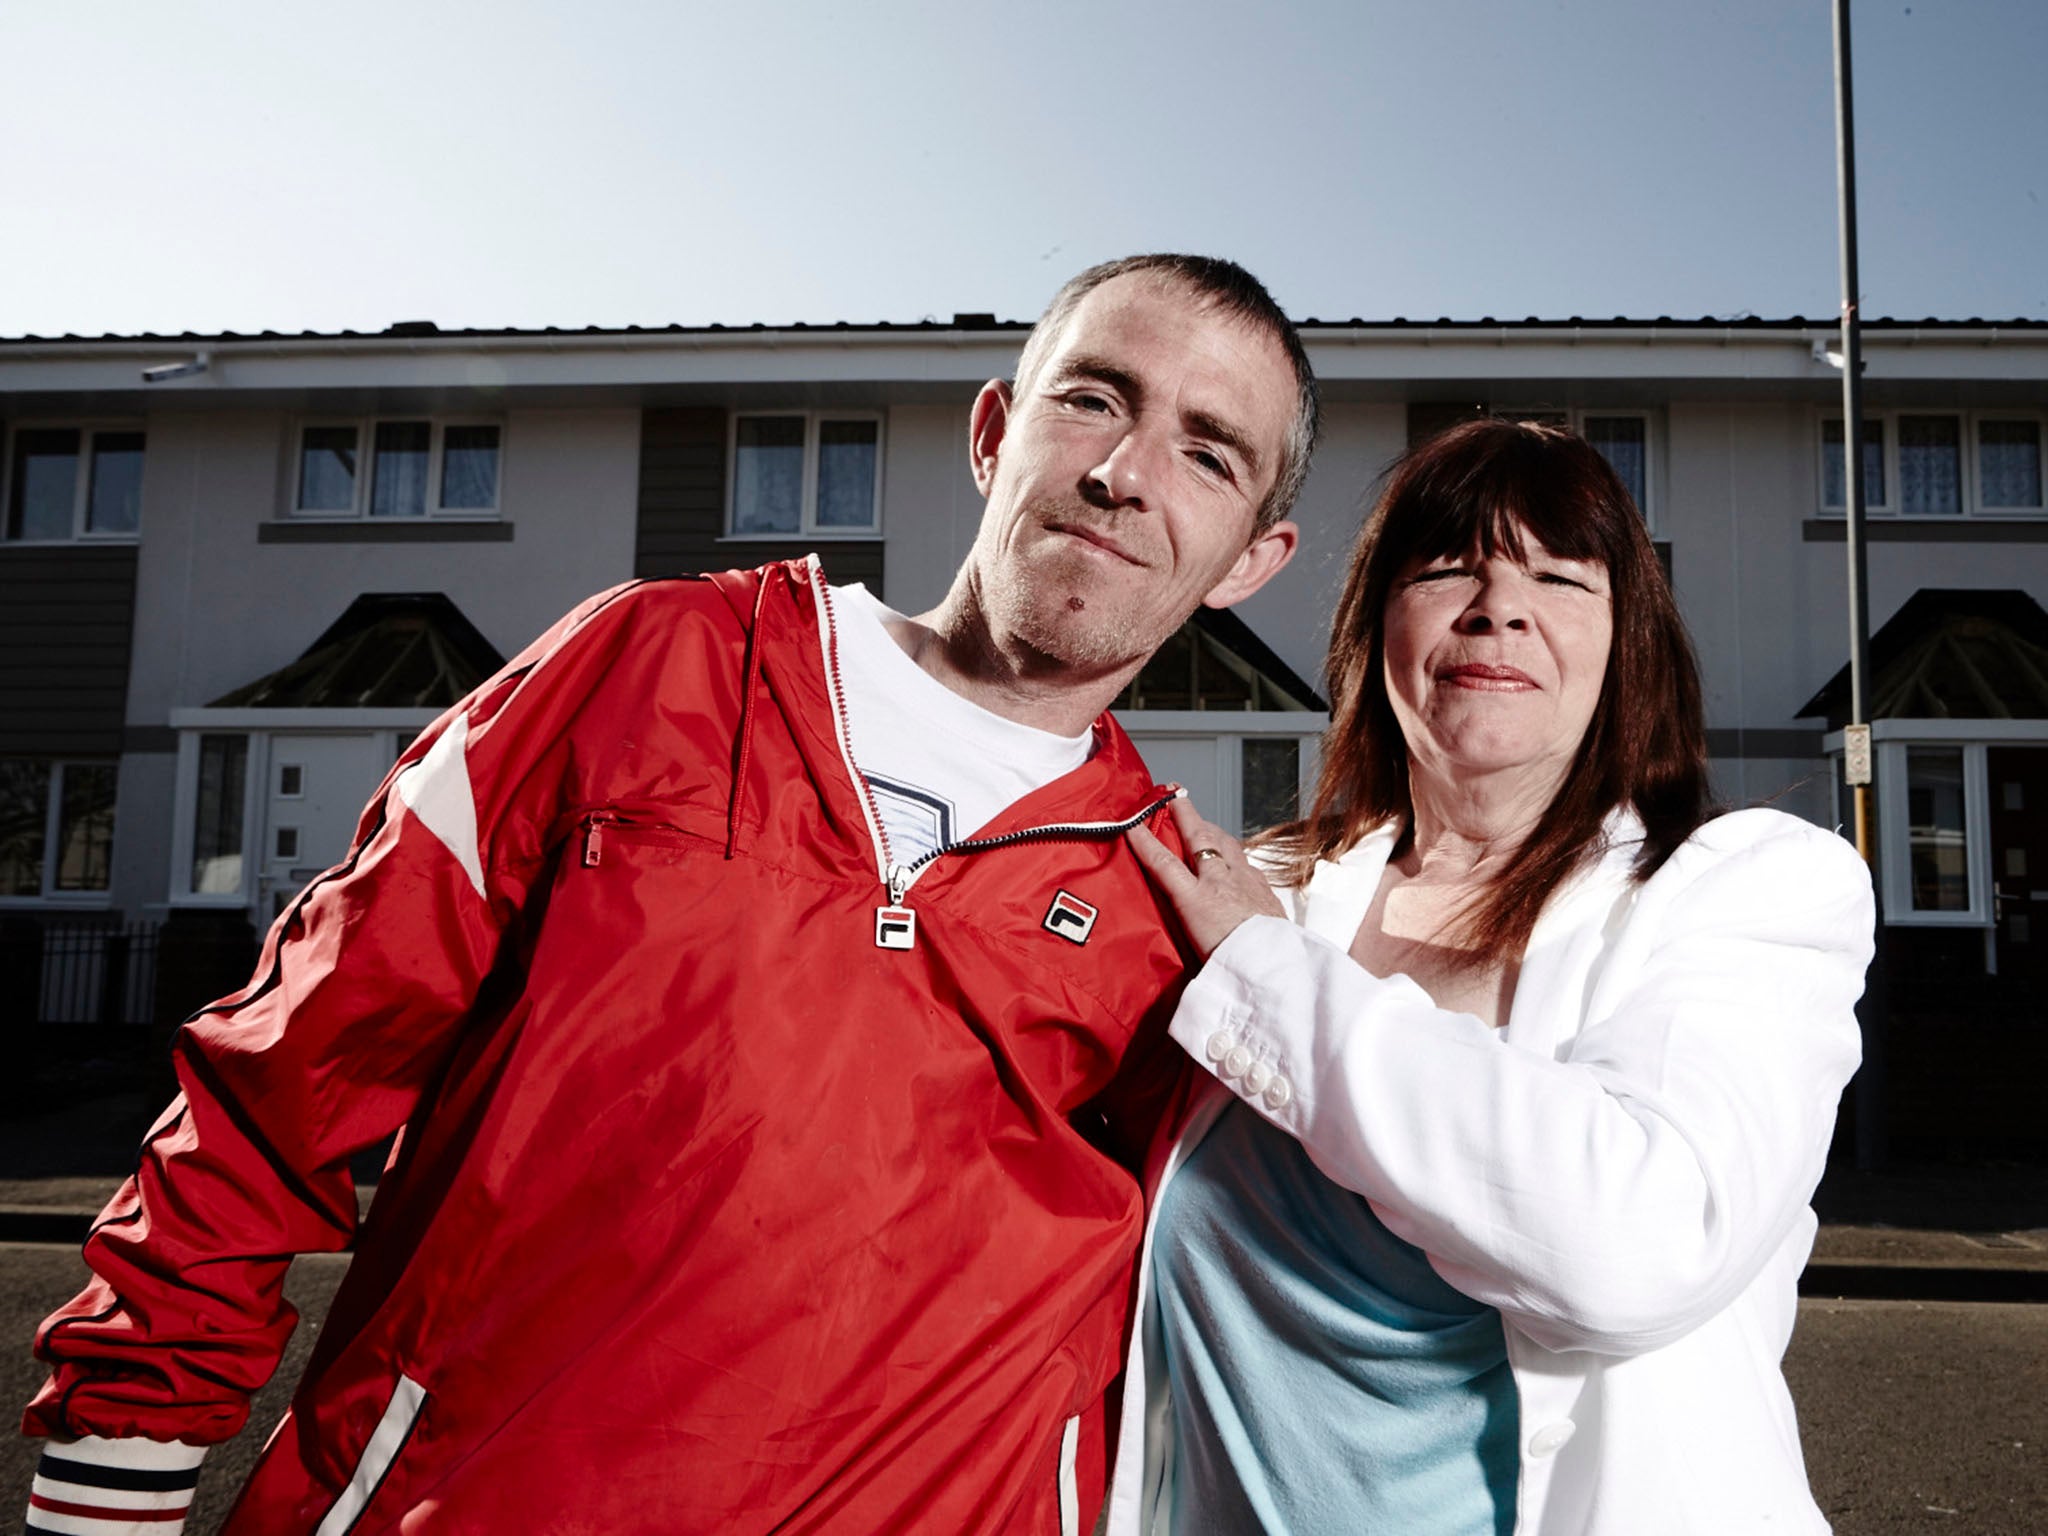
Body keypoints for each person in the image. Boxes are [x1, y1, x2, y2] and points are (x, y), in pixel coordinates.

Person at [20, 254, 1315, 1536]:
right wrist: (115, 1474)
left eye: (1209, 453)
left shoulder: (1189, 919)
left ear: (1254, 558)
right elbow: (282, 1078)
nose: (1125, 474)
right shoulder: (648, 664)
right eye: (1093, 398)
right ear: (993, 431)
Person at [1115, 418, 1874, 1535]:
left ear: (1627, 641)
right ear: (1376, 621)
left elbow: (1634, 1244)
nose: (1498, 608)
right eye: (1445, 569)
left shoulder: (1748, 885)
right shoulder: (1260, 889)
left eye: (1559, 577)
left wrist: (1260, 972)